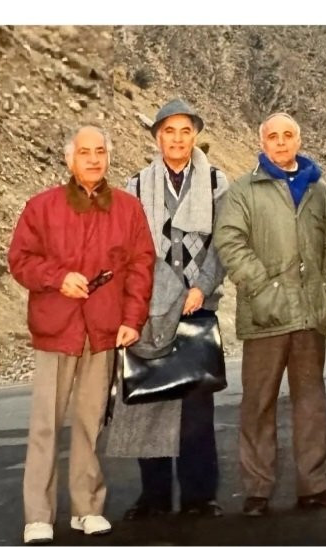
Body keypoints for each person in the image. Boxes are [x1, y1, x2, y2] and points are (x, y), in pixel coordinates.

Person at [8, 126, 155, 545]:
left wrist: (132, 319)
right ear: (69, 159)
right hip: (56, 328)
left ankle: (86, 508)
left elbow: (141, 266)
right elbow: (20, 260)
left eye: (100, 152)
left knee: (90, 424)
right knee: (45, 426)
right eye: (85, 152)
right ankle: (38, 515)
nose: (93, 159)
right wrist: (58, 278)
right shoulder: (42, 207)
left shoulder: (128, 209)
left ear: (108, 157)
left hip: (104, 329)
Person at [214, 112, 326, 517]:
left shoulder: (320, 191)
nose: (281, 142)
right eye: (273, 136)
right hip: (265, 316)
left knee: (311, 403)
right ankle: (257, 490)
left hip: (309, 314)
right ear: (263, 142)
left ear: (298, 140)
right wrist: (262, 286)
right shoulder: (243, 190)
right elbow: (229, 241)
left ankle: (314, 485)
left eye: (288, 135)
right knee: (258, 404)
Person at [105, 99, 229, 520]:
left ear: (195, 136)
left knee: (196, 404)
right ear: (157, 137)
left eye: (185, 131)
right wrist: (148, 297)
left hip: (197, 305)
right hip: (151, 307)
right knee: (152, 400)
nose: (177, 139)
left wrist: (201, 287)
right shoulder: (137, 185)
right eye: (169, 131)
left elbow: (223, 242)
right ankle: (153, 497)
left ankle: (199, 496)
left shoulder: (216, 182)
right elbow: (130, 248)